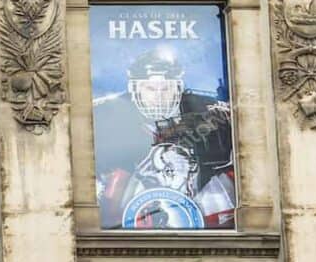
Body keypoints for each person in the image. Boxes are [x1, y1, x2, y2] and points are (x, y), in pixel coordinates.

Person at [93, 48, 235, 229]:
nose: (159, 95)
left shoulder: (213, 114)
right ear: (135, 88)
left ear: (178, 87)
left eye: (166, 87)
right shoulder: (106, 119)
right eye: (150, 88)